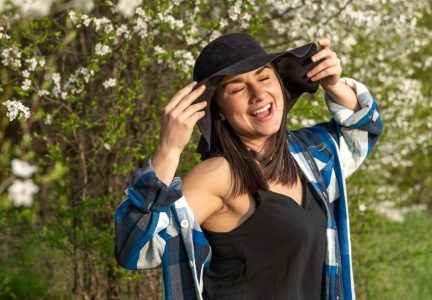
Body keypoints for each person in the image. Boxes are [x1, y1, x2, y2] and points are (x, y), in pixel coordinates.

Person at [114, 33, 383, 300]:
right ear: (217, 108)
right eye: (238, 88)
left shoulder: (306, 155)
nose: (258, 93)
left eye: (264, 77)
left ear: (279, 82)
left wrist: (334, 85)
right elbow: (134, 248)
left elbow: (362, 133)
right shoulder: (217, 177)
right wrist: (169, 150)